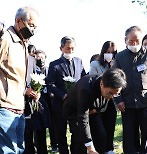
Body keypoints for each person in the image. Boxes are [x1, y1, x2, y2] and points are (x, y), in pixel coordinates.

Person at [113, 26, 147, 154]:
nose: (134, 44)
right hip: (127, 103)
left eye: (137, 41)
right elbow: (115, 80)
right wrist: (118, 99)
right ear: (125, 40)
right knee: (129, 135)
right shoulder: (119, 57)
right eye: (131, 41)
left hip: (146, 101)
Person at [0, 6, 39, 153]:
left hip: (18, 106)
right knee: (8, 150)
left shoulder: (24, 43)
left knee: (19, 149)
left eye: (35, 27)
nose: (33, 30)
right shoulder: (5, 39)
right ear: (18, 21)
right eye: (31, 25)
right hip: (4, 106)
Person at [63, 68, 127, 154]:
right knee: (81, 140)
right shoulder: (86, 88)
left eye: (116, 93)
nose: (112, 96)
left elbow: (100, 106)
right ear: (102, 84)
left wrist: (94, 110)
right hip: (75, 113)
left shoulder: (108, 87)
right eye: (110, 93)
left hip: (93, 111)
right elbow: (82, 118)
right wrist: (90, 147)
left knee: (101, 136)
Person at [46, 36, 86, 154]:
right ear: (61, 48)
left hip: (76, 104)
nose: (70, 51)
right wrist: (63, 95)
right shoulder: (54, 65)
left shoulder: (79, 61)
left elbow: (83, 78)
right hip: (60, 104)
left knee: (77, 132)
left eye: (73, 49)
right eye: (68, 49)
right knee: (61, 133)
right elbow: (50, 84)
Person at [89, 41, 117, 154]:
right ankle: (98, 149)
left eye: (112, 52)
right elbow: (92, 79)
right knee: (100, 129)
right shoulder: (95, 64)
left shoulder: (117, 64)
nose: (109, 54)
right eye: (107, 52)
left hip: (112, 101)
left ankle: (109, 149)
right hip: (99, 101)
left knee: (110, 126)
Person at [24, 50, 50, 154]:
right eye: (37, 58)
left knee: (41, 131)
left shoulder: (43, 71)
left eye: (42, 58)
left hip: (40, 105)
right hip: (26, 104)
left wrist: (38, 94)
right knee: (28, 132)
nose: (39, 60)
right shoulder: (27, 70)